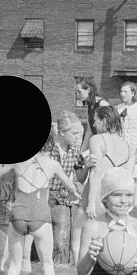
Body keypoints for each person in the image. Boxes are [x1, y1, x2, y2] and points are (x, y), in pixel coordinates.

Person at [0, 134, 81, 275]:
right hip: (40, 216)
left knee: (14, 266)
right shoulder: (52, 164)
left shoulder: (16, 162)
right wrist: (76, 195)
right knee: (48, 264)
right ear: (49, 146)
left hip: (18, 216)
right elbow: (70, 186)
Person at [49, 110, 90, 264]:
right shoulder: (47, 150)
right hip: (43, 199)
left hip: (63, 201)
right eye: (74, 134)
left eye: (80, 134)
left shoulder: (75, 152)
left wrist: (87, 167)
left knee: (61, 242)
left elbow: (80, 178)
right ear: (60, 132)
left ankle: (61, 273)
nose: (78, 138)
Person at [84, 105, 132, 222]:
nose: (94, 125)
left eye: (95, 121)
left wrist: (90, 204)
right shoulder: (127, 145)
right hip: (117, 200)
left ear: (104, 121)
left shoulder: (97, 139)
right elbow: (129, 179)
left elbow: (96, 173)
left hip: (99, 196)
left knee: (87, 235)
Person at [117, 81, 137, 205]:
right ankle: (122, 201)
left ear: (133, 93)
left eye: (126, 91)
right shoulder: (118, 108)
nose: (122, 94)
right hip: (122, 144)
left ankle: (134, 203)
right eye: (121, 91)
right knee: (121, 174)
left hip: (134, 144)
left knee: (135, 176)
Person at [76, 78, 109, 151]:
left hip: (105, 144)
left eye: (79, 92)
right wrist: (81, 152)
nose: (77, 95)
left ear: (88, 90)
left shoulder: (102, 104)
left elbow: (112, 128)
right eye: (76, 92)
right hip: (97, 142)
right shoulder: (89, 105)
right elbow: (89, 132)